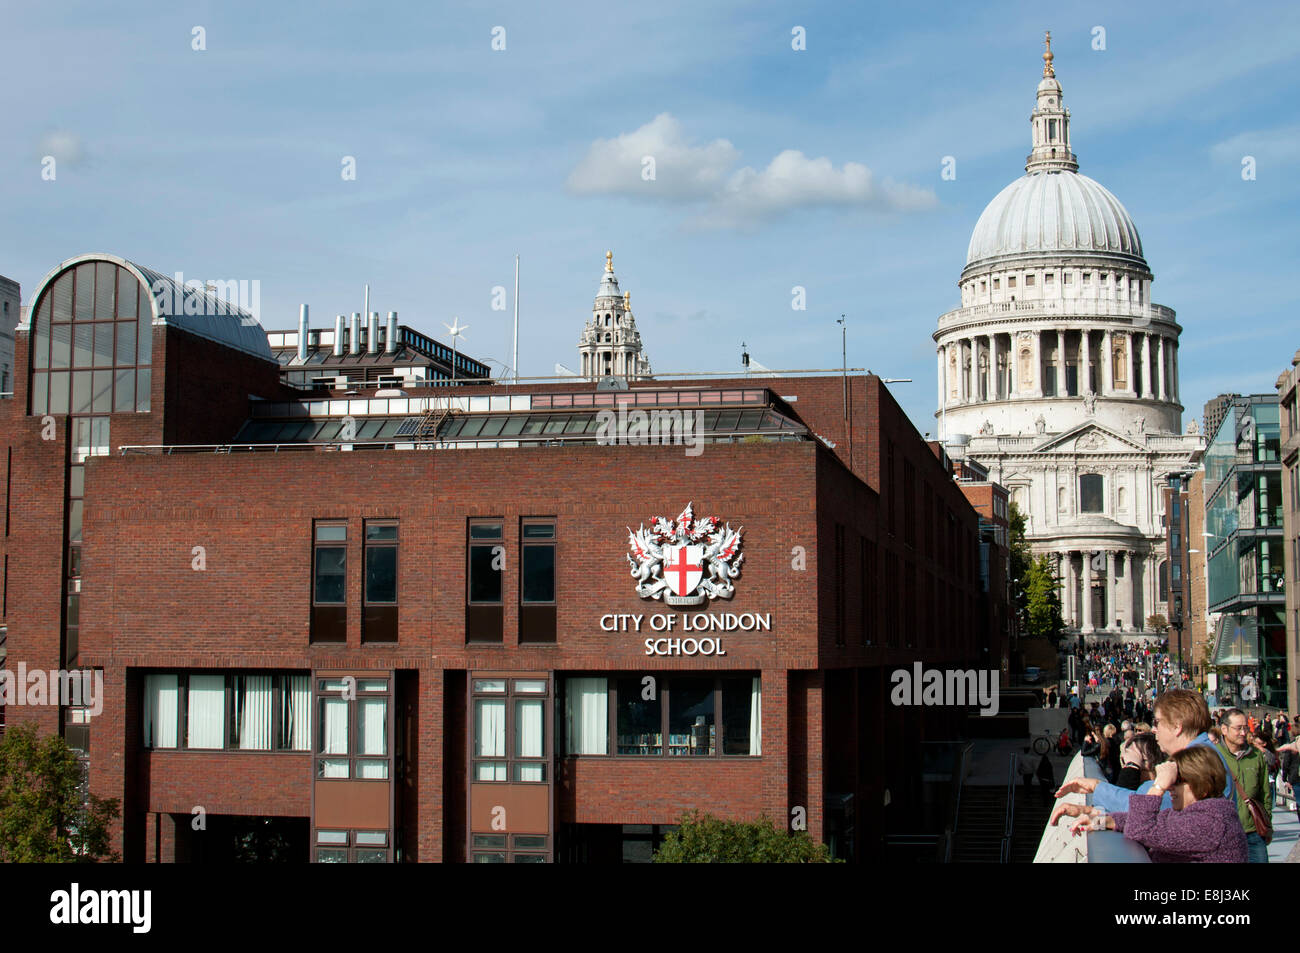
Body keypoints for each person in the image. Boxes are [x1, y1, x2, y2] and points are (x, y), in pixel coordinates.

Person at [1052, 689, 1235, 825]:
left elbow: (1144, 810)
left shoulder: (1196, 763)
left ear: (1177, 726)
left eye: (1157, 722)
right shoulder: (1207, 752)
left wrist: (1096, 788)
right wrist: (1090, 812)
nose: (1154, 729)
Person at [1065, 746, 1247, 863]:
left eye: (1177, 781)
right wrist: (1103, 821)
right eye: (1170, 782)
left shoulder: (1212, 823)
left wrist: (1159, 785)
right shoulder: (1205, 812)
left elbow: (1140, 827)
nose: (1170, 788)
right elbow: (1157, 820)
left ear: (1202, 784)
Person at [1217, 708, 1272, 863]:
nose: (1243, 732)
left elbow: (1265, 793)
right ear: (1224, 729)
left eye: (1245, 728)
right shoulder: (1213, 755)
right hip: (1224, 834)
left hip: (1253, 832)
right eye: (1238, 728)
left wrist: (1266, 822)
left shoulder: (1256, 756)